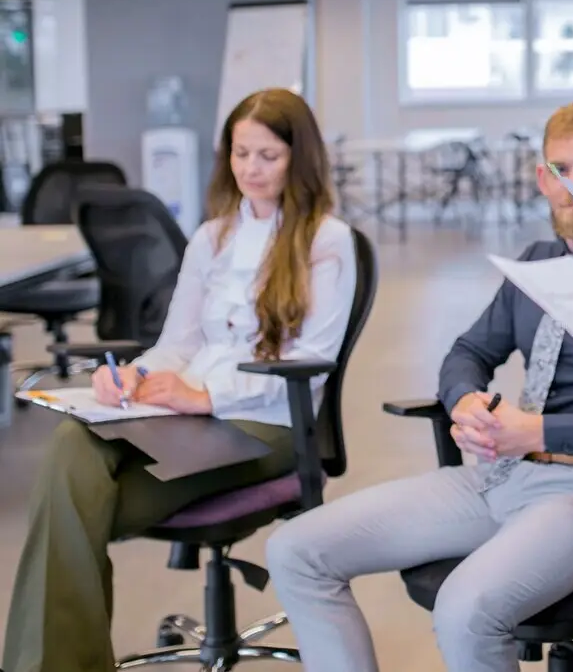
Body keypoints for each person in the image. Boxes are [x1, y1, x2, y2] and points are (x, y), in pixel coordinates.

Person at [265, 102, 573, 672]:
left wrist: (542, 430)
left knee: (464, 608)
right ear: (543, 179)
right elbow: (469, 352)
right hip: (501, 473)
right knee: (296, 550)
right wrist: (466, 399)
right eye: (562, 170)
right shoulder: (536, 263)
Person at [3, 88, 356, 672]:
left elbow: (313, 364)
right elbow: (178, 345)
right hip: (190, 419)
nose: (251, 169)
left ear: (300, 157)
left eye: (267, 155)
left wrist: (204, 397)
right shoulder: (212, 236)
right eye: (240, 153)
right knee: (73, 445)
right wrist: (131, 377)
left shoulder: (328, 240)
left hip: (263, 427)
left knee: (70, 510)